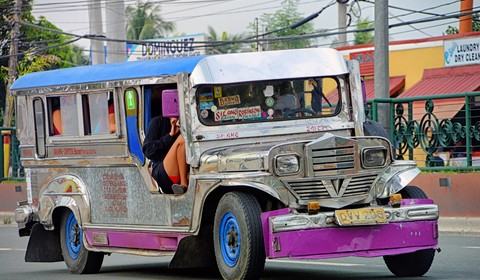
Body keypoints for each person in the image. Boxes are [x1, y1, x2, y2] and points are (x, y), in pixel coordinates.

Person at [142, 115, 189, 194]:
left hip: (186, 168)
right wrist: (170, 135)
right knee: (182, 138)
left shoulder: (189, 121)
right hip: (162, 169)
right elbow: (148, 151)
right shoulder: (157, 122)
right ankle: (183, 185)